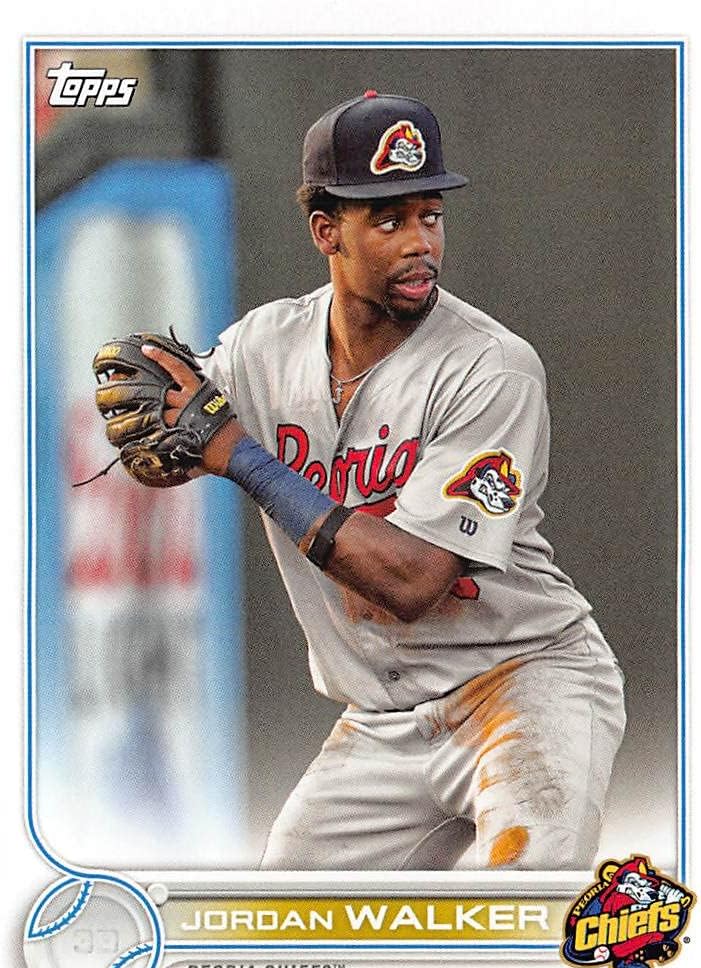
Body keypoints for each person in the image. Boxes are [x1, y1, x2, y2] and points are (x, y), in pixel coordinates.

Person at [142, 91, 626, 871]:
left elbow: (413, 581)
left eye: (429, 215)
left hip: (524, 682)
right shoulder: (263, 345)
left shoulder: (488, 367)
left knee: (518, 906)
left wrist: (241, 457)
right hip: (381, 718)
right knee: (288, 927)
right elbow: (172, 429)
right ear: (325, 231)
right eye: (388, 219)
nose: (420, 243)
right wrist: (150, 414)